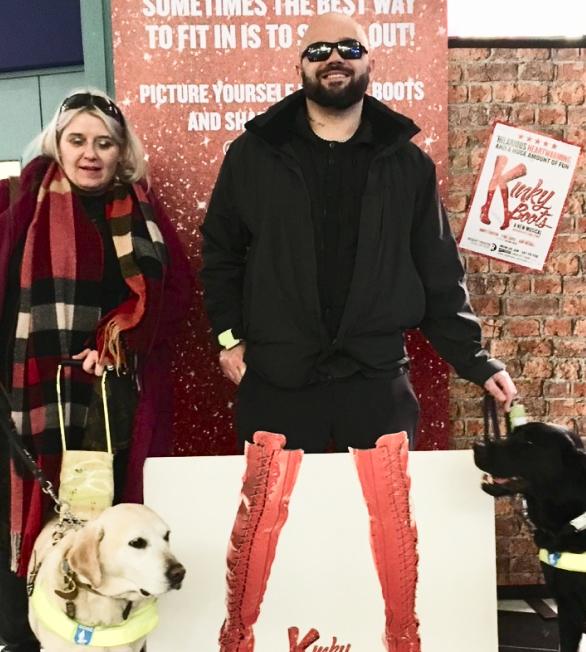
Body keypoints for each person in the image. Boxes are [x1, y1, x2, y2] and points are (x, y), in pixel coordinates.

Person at [200, 11, 516, 454]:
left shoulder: (409, 165)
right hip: (277, 379)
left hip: (376, 379)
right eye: (318, 51)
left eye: (350, 48)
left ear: (370, 63)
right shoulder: (252, 155)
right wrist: (229, 339)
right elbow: (221, 255)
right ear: (300, 67)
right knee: (277, 520)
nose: (334, 58)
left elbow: (439, 271)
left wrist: (477, 362)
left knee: (383, 521)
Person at [0, 89, 193, 652]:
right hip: (29, 393)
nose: (90, 153)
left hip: (114, 398)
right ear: (58, 142)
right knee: (27, 523)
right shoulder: (17, 206)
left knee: (113, 528)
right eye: (77, 139)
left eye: (104, 142)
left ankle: (120, 651)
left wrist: (118, 338)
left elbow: (174, 297)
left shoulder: (142, 213)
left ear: (121, 151)